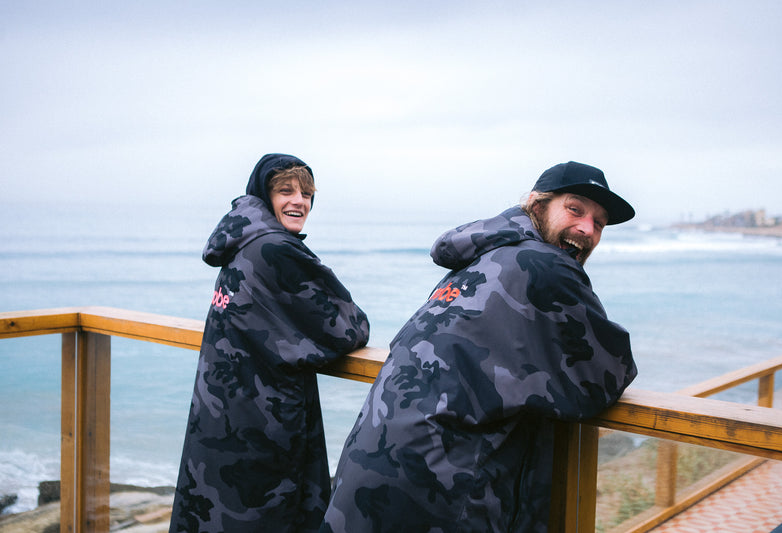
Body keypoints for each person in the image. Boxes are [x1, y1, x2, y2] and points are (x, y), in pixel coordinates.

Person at [321, 161, 637, 532]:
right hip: (439, 485)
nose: (586, 229)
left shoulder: (477, 260)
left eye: (598, 223)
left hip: (371, 459)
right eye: (575, 209)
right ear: (538, 207)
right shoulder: (544, 265)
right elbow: (605, 375)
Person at [169, 153, 370, 533]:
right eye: (286, 190)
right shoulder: (275, 249)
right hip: (265, 420)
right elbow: (350, 328)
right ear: (264, 195)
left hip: (220, 415)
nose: (300, 201)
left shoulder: (240, 245)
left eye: (307, 193)